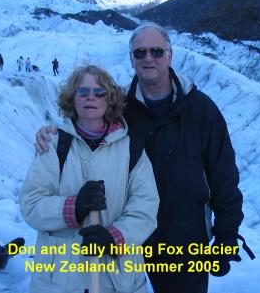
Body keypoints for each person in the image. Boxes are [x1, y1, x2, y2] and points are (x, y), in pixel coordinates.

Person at [35, 23, 254, 293]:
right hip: (125, 236)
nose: (148, 58)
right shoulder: (119, 109)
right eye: (140, 53)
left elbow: (224, 177)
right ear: (131, 58)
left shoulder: (201, 110)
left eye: (156, 51)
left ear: (170, 55)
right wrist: (52, 133)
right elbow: (84, 131)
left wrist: (226, 236)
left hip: (183, 239)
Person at [21, 65, 159, 293]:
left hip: (117, 280)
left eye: (99, 92)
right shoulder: (54, 144)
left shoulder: (132, 148)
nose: (90, 98)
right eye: (82, 92)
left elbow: (145, 208)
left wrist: (114, 237)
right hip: (61, 281)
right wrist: (73, 207)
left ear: (110, 99)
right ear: (72, 99)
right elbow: (31, 204)